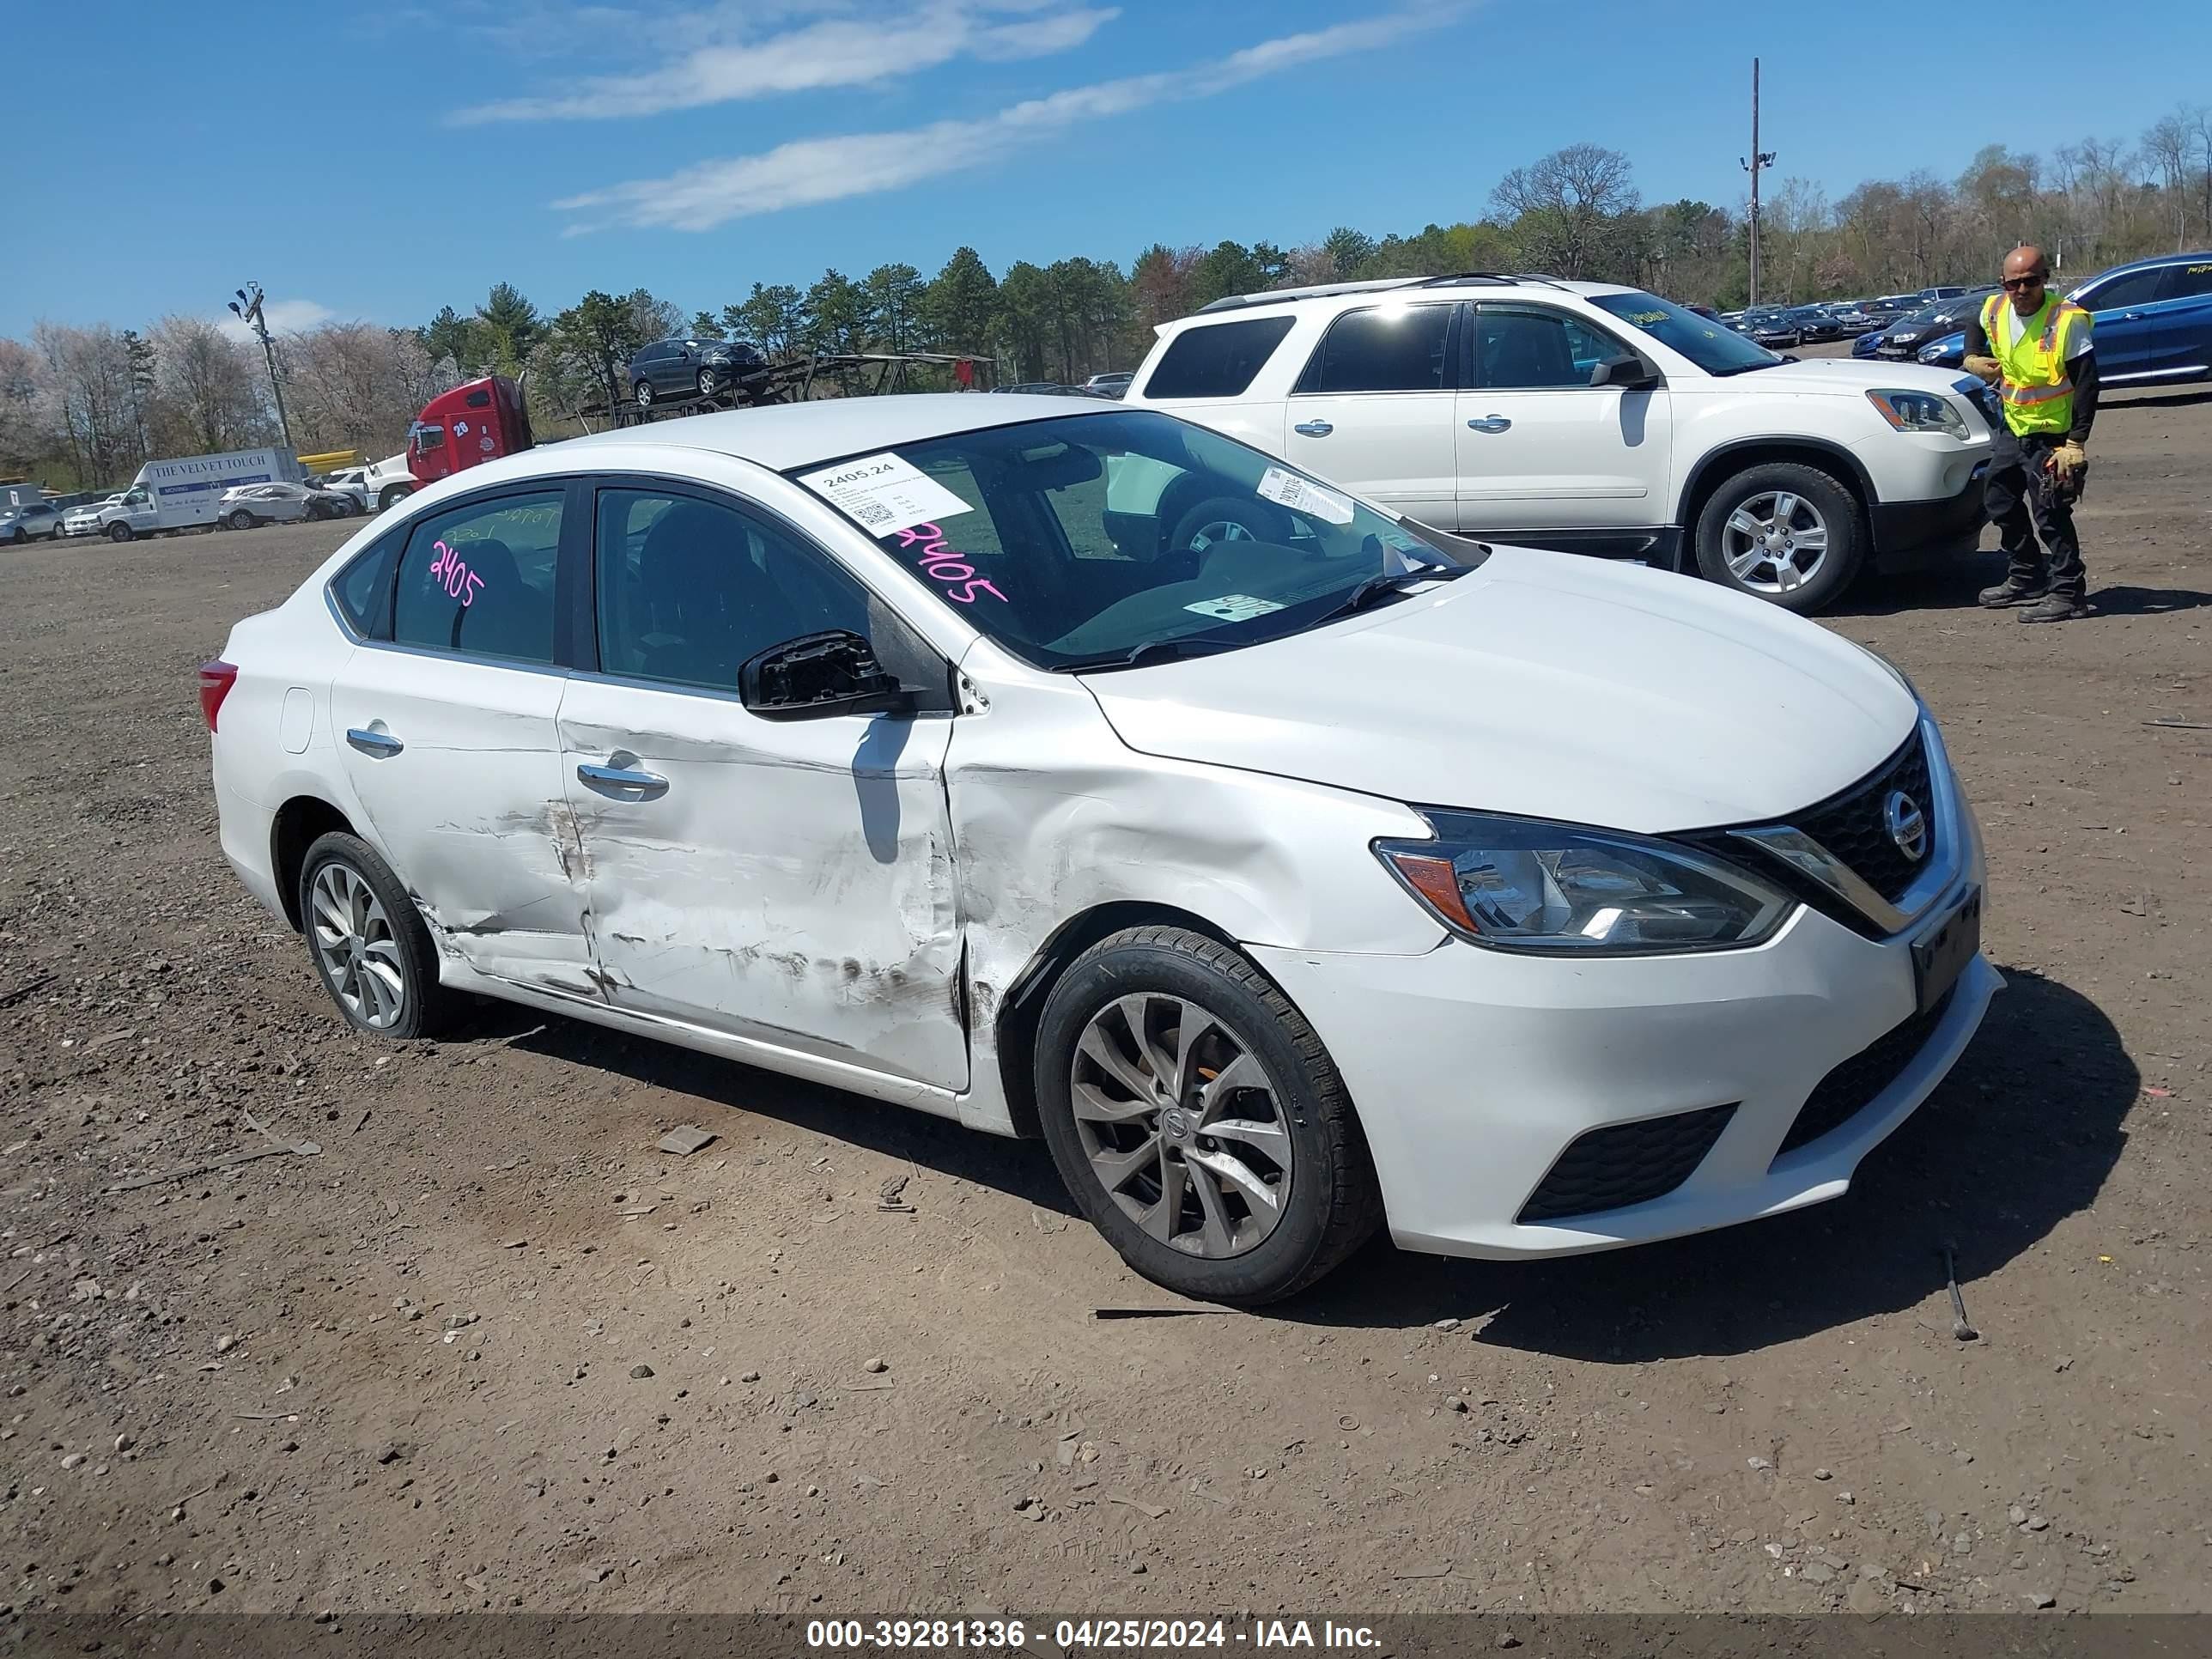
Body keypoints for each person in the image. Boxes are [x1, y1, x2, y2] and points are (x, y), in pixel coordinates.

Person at [1962, 245, 2097, 623]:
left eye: (2031, 282)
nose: (2021, 291)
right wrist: (1972, 357)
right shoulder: (1995, 309)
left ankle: (2069, 594)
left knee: (2051, 514)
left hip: (2055, 435)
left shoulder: (2066, 321)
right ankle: (2026, 576)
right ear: (2003, 283)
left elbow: (2088, 384)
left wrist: (2076, 443)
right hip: (2015, 427)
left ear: (2045, 280)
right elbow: (1975, 324)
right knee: (1999, 500)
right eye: (2013, 283)